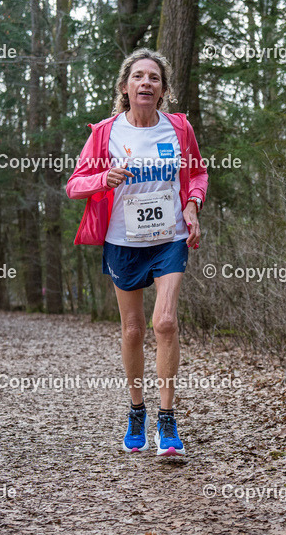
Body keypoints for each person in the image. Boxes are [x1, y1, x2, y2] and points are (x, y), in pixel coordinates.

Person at [66, 49, 207, 457]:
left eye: (154, 78)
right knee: (133, 330)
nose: (146, 83)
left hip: (170, 238)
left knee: (165, 322)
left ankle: (167, 420)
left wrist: (193, 203)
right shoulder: (106, 133)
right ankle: (135, 410)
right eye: (139, 76)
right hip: (123, 241)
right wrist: (102, 179)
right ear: (125, 87)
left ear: (162, 90)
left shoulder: (178, 129)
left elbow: (197, 172)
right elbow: (74, 184)